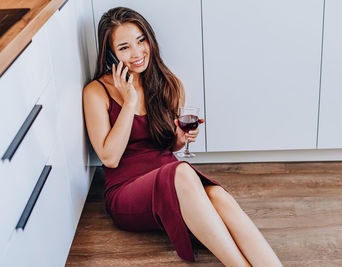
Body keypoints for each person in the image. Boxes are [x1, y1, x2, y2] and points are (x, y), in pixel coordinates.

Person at [83, 6, 282, 266]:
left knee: (219, 196)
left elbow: (170, 147)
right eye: (124, 47)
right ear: (110, 53)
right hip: (127, 191)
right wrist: (130, 103)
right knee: (184, 171)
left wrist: (180, 138)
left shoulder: (167, 83)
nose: (137, 53)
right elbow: (109, 158)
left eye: (141, 41)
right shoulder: (96, 92)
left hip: (174, 179)